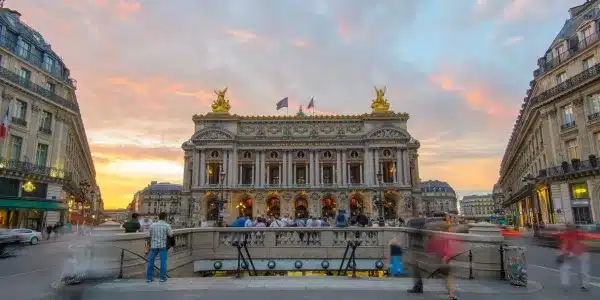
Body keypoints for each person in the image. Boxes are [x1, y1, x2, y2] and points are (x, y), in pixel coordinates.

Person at [557, 223, 589, 290]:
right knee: (565, 268)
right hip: (572, 253)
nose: (568, 229)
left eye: (569, 227)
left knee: (582, 270)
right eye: (567, 227)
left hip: (582, 253)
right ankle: (565, 284)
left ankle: (584, 285)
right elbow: (564, 245)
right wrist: (562, 254)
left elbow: (580, 246)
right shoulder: (566, 234)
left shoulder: (579, 234)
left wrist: (568, 253)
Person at [146, 212, 173, 283]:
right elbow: (171, 235)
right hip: (163, 246)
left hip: (154, 246)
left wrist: (149, 245)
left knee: (151, 261)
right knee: (163, 262)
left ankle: (149, 278)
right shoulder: (167, 225)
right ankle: (162, 277)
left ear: (158, 217)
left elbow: (149, 235)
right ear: (165, 217)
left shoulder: (152, 225)